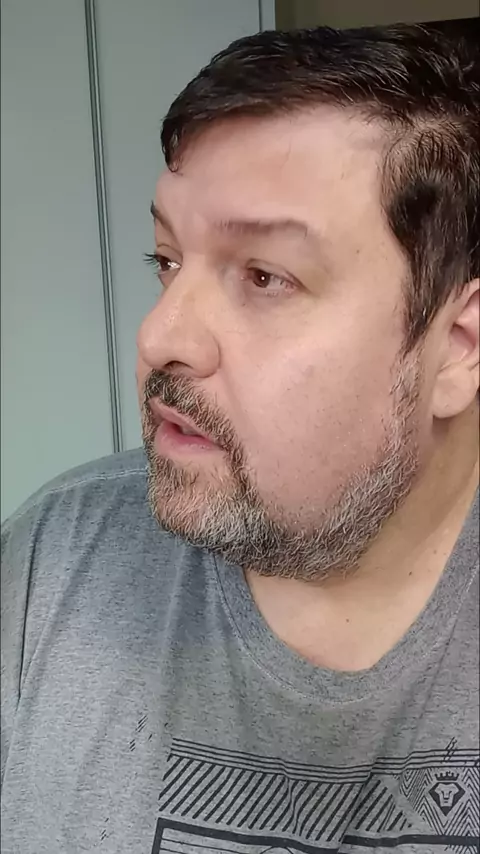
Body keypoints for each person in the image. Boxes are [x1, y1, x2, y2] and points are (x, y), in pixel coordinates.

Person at [1, 20, 479, 854]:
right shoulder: (55, 560)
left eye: (265, 276)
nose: (160, 336)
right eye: (167, 260)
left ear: (458, 348)